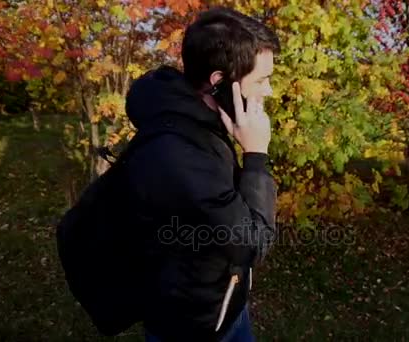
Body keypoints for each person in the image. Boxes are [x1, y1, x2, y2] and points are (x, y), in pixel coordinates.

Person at [123, 6, 280, 342]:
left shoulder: (201, 121)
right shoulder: (178, 154)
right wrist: (255, 156)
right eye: (262, 80)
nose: (269, 92)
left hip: (225, 305)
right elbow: (251, 243)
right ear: (219, 83)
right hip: (192, 327)